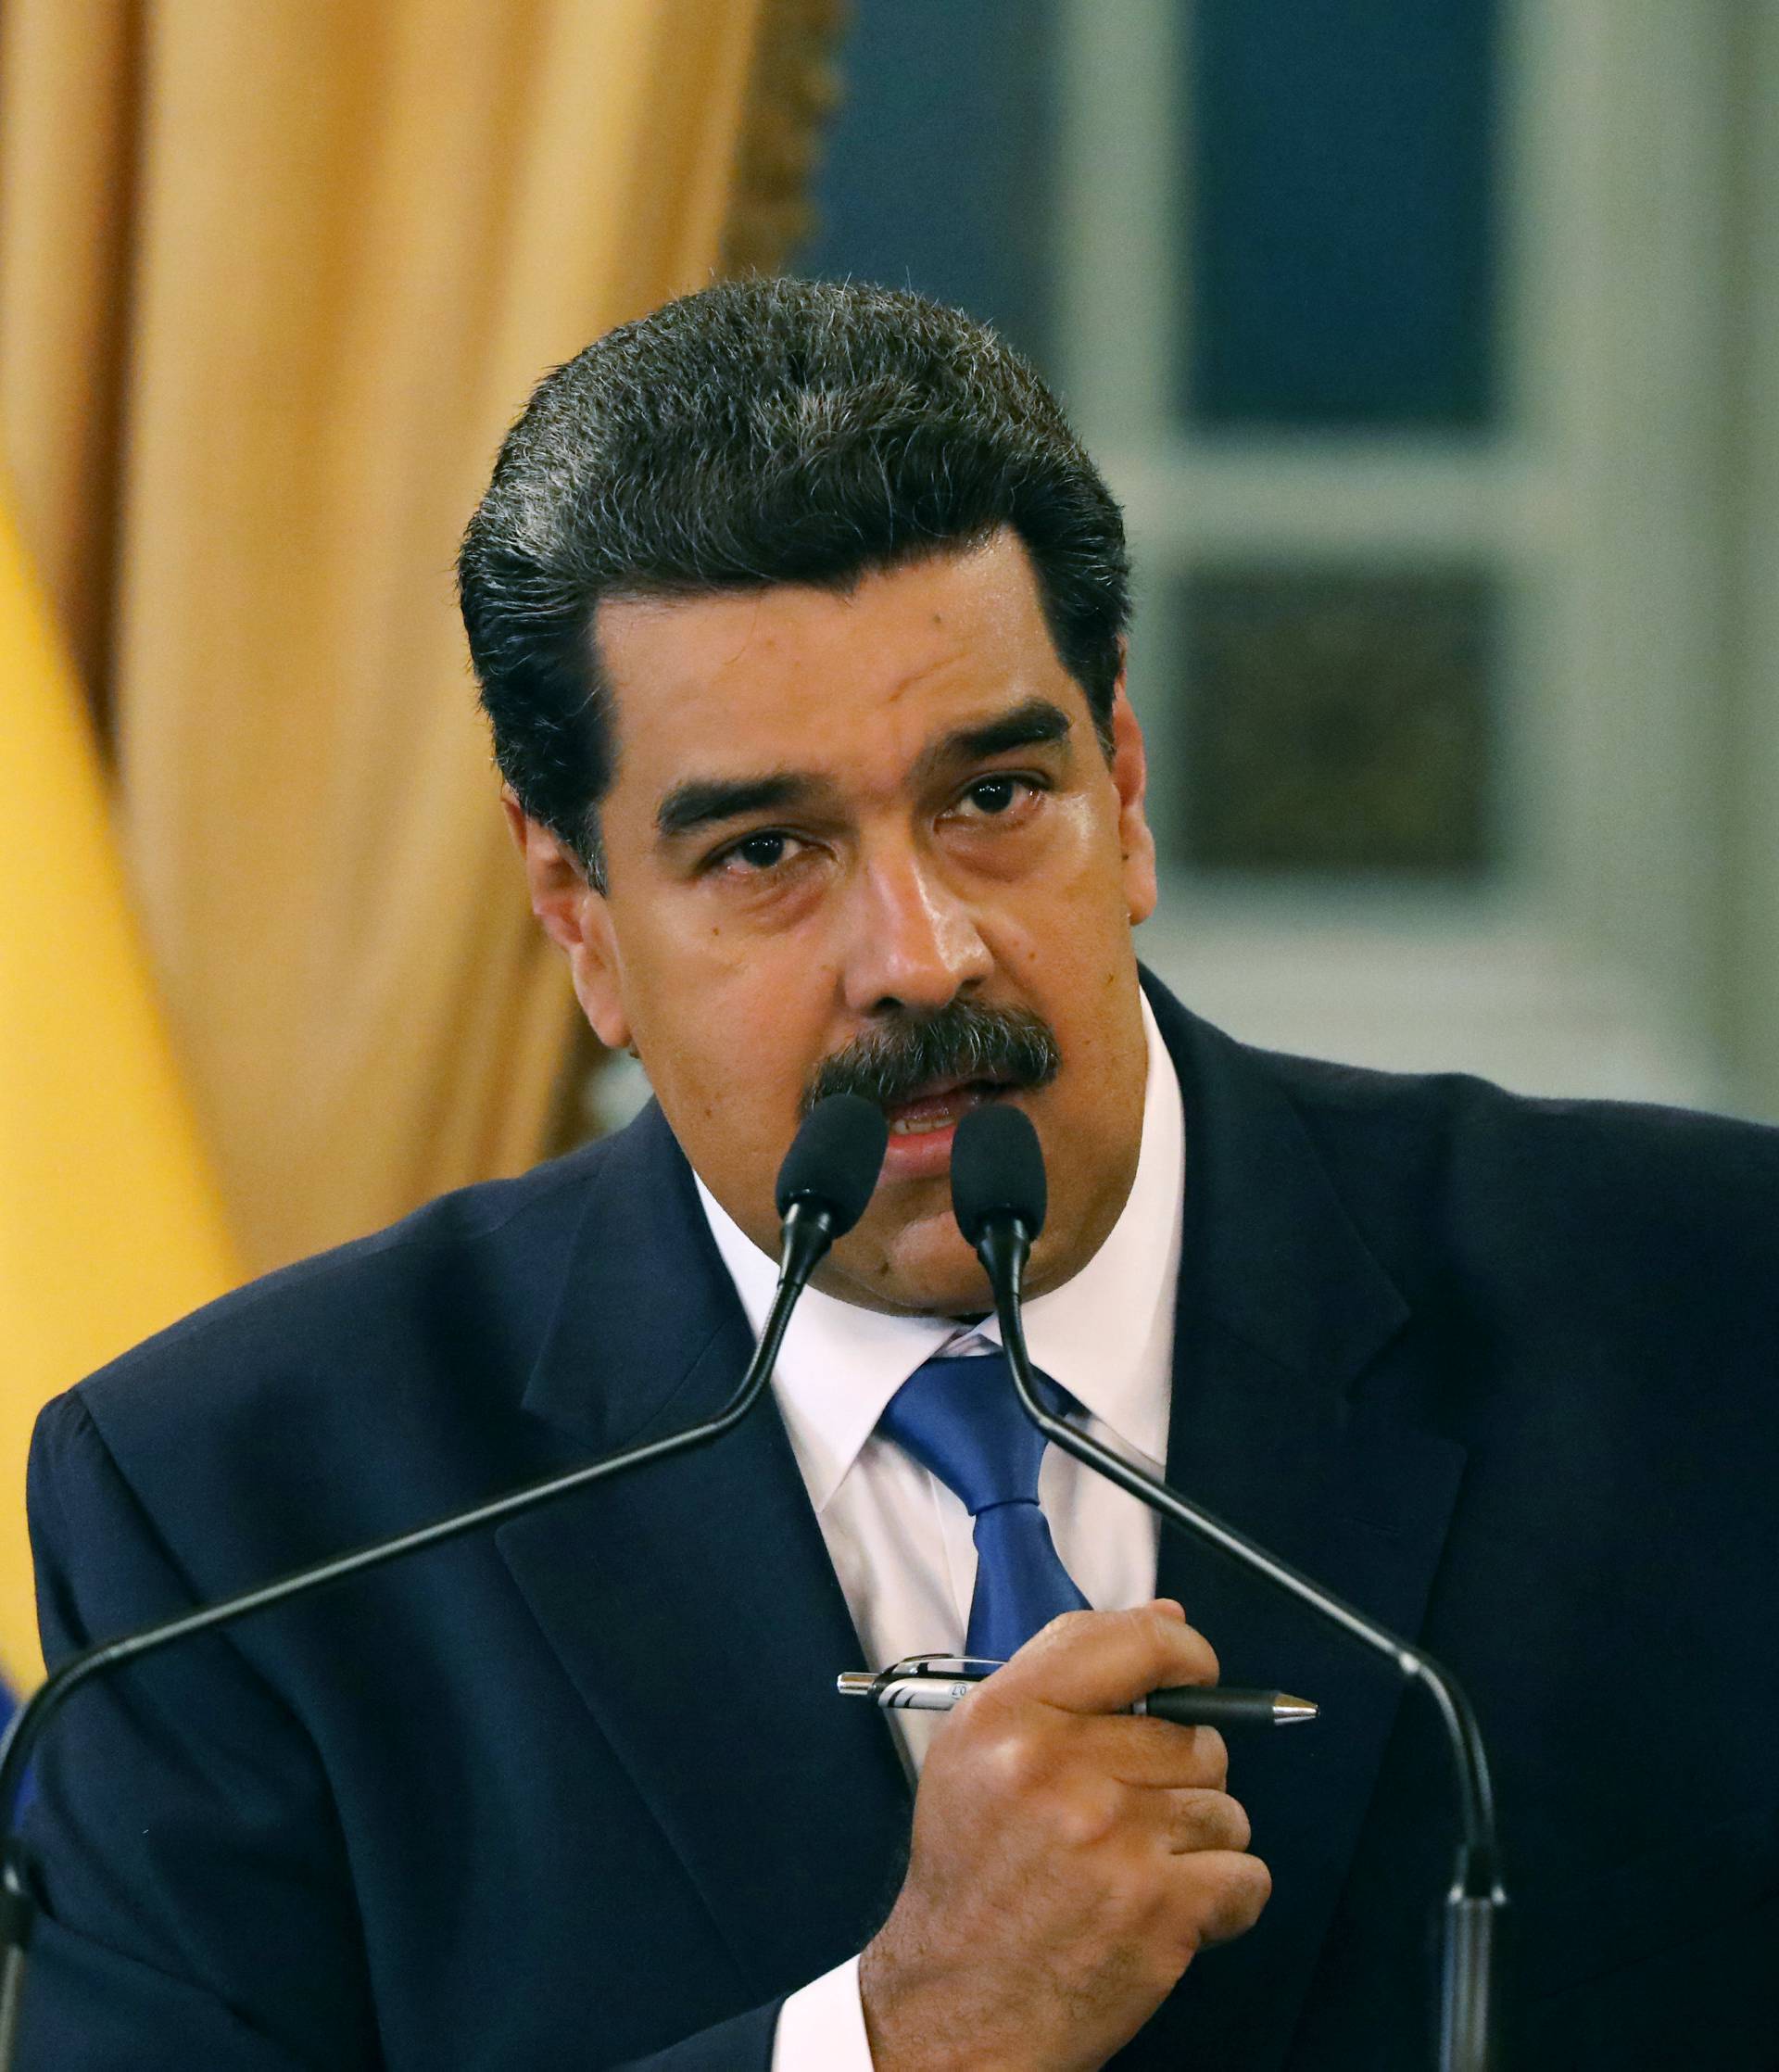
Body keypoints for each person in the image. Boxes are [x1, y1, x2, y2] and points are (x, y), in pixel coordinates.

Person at [16, 277, 1779, 2071]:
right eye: (769, 848)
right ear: (582, 918)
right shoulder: (251, 1508)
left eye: (994, 797)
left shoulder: (1711, 1306)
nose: (922, 954)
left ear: (1130, 786)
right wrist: (898, 2037)